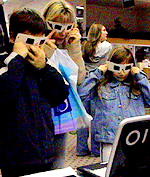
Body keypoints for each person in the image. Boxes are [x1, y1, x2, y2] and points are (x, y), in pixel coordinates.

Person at [0, 8, 69, 177]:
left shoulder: (40, 63)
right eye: (28, 40)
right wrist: (16, 59)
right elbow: (3, 96)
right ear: (12, 36)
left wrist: (44, 67)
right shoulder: (4, 62)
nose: (34, 46)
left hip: (44, 150)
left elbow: (60, 94)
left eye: (39, 41)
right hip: (14, 156)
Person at [77, 45, 150, 160]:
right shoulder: (101, 85)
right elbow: (81, 94)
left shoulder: (137, 85)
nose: (121, 72)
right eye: (117, 67)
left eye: (126, 68)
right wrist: (98, 73)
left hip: (134, 138)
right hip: (108, 139)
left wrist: (140, 76)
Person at [43, 0, 86, 85]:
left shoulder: (71, 45)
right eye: (57, 27)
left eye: (68, 27)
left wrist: (75, 50)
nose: (63, 33)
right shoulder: (35, 43)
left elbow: (79, 80)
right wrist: (45, 50)